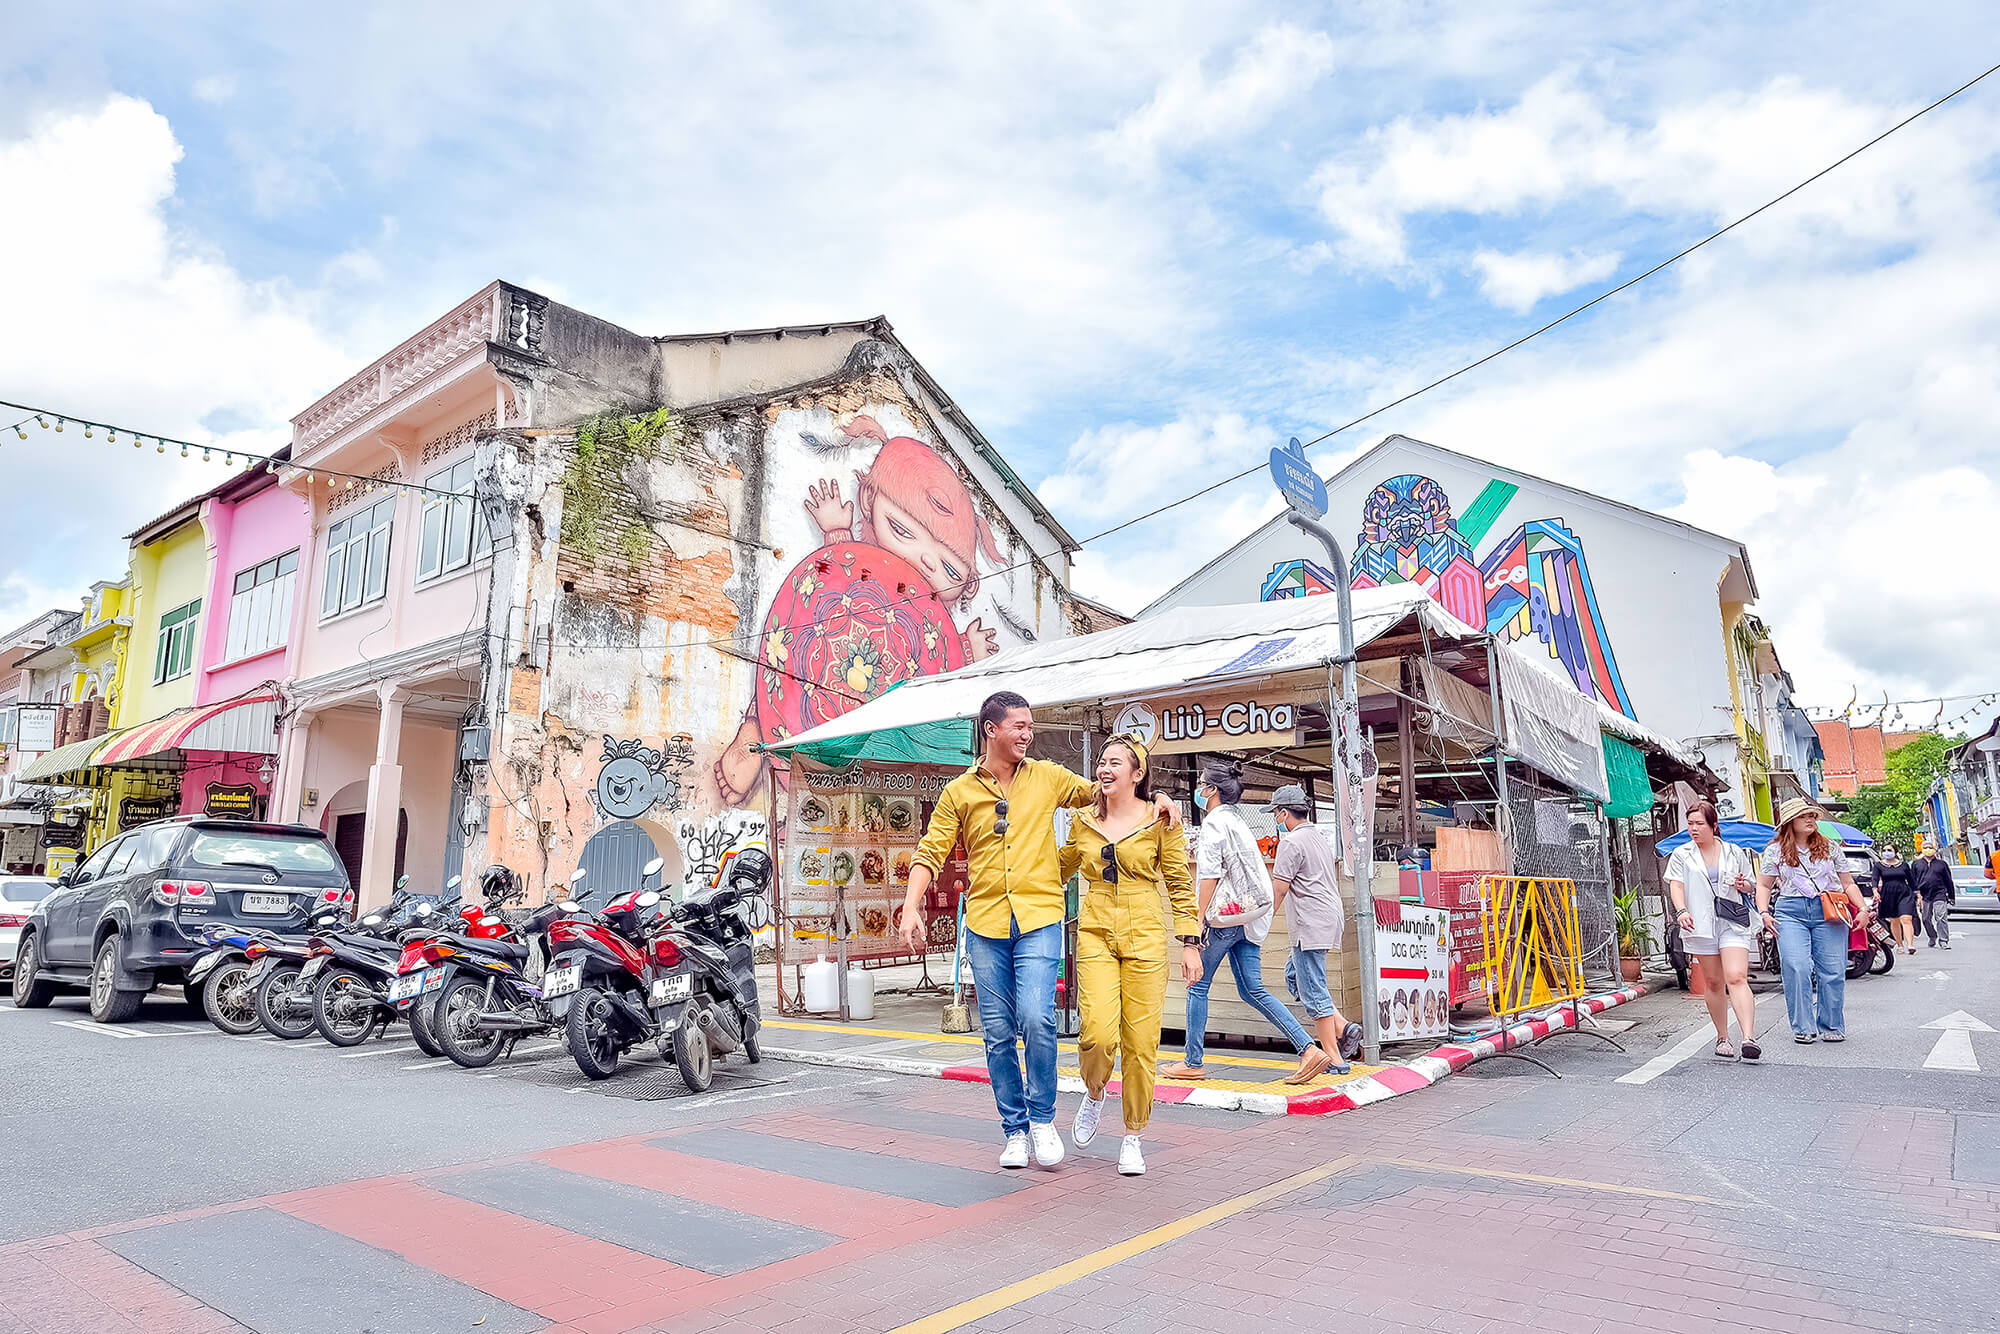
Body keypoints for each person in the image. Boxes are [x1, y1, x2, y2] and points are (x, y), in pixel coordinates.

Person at [900, 692, 1178, 1170]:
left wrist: (1156, 797)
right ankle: (1015, 1130)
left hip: (1040, 918)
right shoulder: (960, 792)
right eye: (1020, 726)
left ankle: (1043, 1117)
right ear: (992, 730)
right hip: (985, 923)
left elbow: (1105, 790)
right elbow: (931, 851)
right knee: (998, 1033)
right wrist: (910, 908)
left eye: (1031, 725)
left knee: (1037, 1017)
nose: (1029, 733)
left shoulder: (1048, 776)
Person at [1060, 734, 1200, 1176]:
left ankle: (1133, 1135)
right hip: (1096, 928)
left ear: (1137, 774)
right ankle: (1095, 1090)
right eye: (1102, 761)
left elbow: (1178, 883)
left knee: (1141, 1044)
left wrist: (1191, 942)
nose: (1104, 769)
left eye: (1115, 763)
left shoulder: (1162, 821)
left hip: (1145, 931)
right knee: (1098, 1033)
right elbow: (1056, 870)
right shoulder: (1082, 820)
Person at [1161, 761, 1330, 1085]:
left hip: (1224, 920)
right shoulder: (1238, 822)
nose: (1198, 789)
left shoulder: (1213, 824)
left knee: (1197, 986)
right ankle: (1309, 1050)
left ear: (1211, 790)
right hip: (1249, 919)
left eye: (1201, 784)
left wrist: (1196, 924)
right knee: (1253, 989)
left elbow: (1209, 876)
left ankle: (1193, 1062)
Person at [1265, 785, 1364, 1079]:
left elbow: (1280, 888)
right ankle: (1343, 1027)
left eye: (1275, 813)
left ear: (1284, 813)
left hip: (1310, 922)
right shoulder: (1317, 836)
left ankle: (1333, 1057)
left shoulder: (1291, 843)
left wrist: (1259, 921)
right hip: (1326, 917)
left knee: (1313, 990)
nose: (1275, 818)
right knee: (1295, 977)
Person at [1756, 798, 1870, 1043]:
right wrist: (1764, 912)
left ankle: (1831, 1025)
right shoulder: (1775, 850)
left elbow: (1847, 882)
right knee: (1796, 966)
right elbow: (1764, 885)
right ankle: (1803, 1027)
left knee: (1833, 971)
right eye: (1803, 816)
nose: (1810, 820)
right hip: (1790, 911)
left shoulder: (1830, 847)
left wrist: (1862, 908)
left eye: (1812, 816)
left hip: (1828, 910)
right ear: (1790, 822)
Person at [1662, 801, 1762, 1061]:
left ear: (1713, 825)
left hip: (1731, 921)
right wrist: (1682, 911)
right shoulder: (1682, 854)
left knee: (1737, 976)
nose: (1694, 829)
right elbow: (1676, 885)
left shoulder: (1733, 851)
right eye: (1690, 824)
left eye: (1700, 824)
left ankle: (1748, 1037)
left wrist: (1744, 885)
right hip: (1700, 923)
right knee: (1715, 982)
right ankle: (1722, 1036)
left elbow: (1751, 884)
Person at [1871, 845, 1918, 955]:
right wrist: (1875, 891)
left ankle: (1910, 945)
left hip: (1904, 893)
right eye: (1885, 850)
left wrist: (1917, 894)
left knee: (1906, 918)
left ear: (1895, 852)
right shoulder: (1879, 865)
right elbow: (1875, 879)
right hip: (1888, 895)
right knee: (1894, 920)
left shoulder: (1904, 865)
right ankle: (1900, 945)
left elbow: (1911, 881)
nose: (1886, 852)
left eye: (1889, 850)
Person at [1909, 848, 1954, 951]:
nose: (1928, 850)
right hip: (1924, 895)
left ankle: (1944, 941)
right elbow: (1912, 881)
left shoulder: (1942, 864)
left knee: (1941, 917)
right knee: (1925, 918)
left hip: (1939, 893)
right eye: (1926, 847)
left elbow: (1948, 880)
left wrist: (1951, 896)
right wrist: (1916, 895)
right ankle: (1932, 936)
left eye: (1930, 847)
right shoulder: (1917, 864)